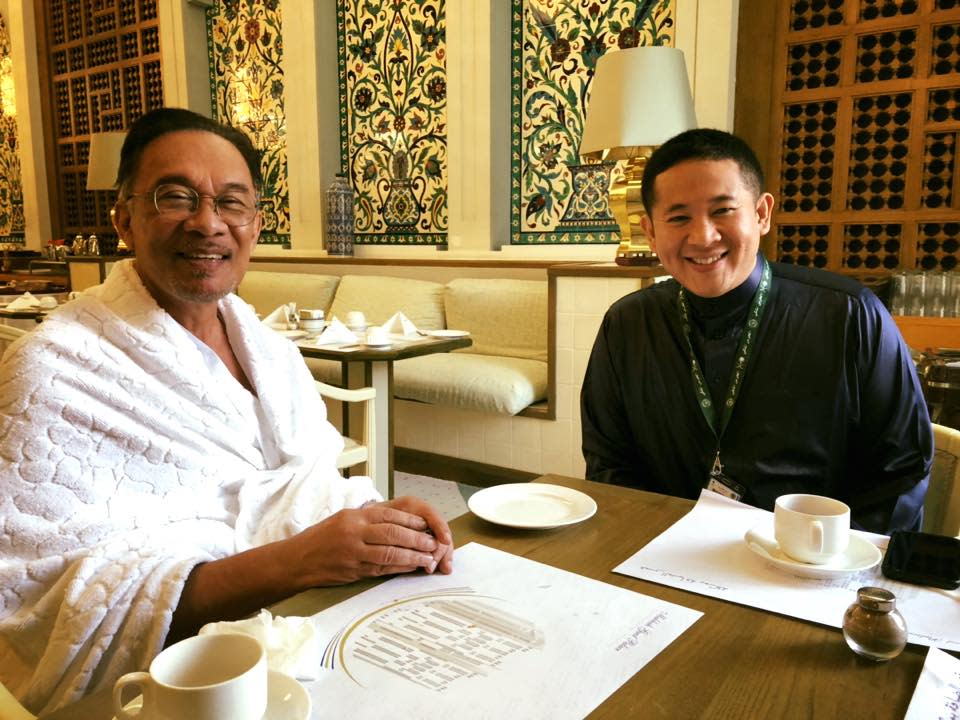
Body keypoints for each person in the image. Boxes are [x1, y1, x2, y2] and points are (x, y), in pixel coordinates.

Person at [0, 108, 454, 714]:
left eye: (231, 202)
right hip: (180, 684)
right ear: (124, 220)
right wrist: (299, 558)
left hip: (307, 637)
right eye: (175, 197)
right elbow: (44, 600)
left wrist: (375, 517)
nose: (208, 223)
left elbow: (307, 485)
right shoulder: (50, 368)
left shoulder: (272, 350)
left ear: (256, 223)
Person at [581, 128, 931, 534]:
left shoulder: (850, 315)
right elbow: (608, 462)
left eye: (723, 210)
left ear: (762, 214)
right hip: (664, 556)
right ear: (652, 232)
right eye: (679, 218)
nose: (703, 236)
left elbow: (902, 469)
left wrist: (835, 561)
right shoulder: (626, 325)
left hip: (809, 568)